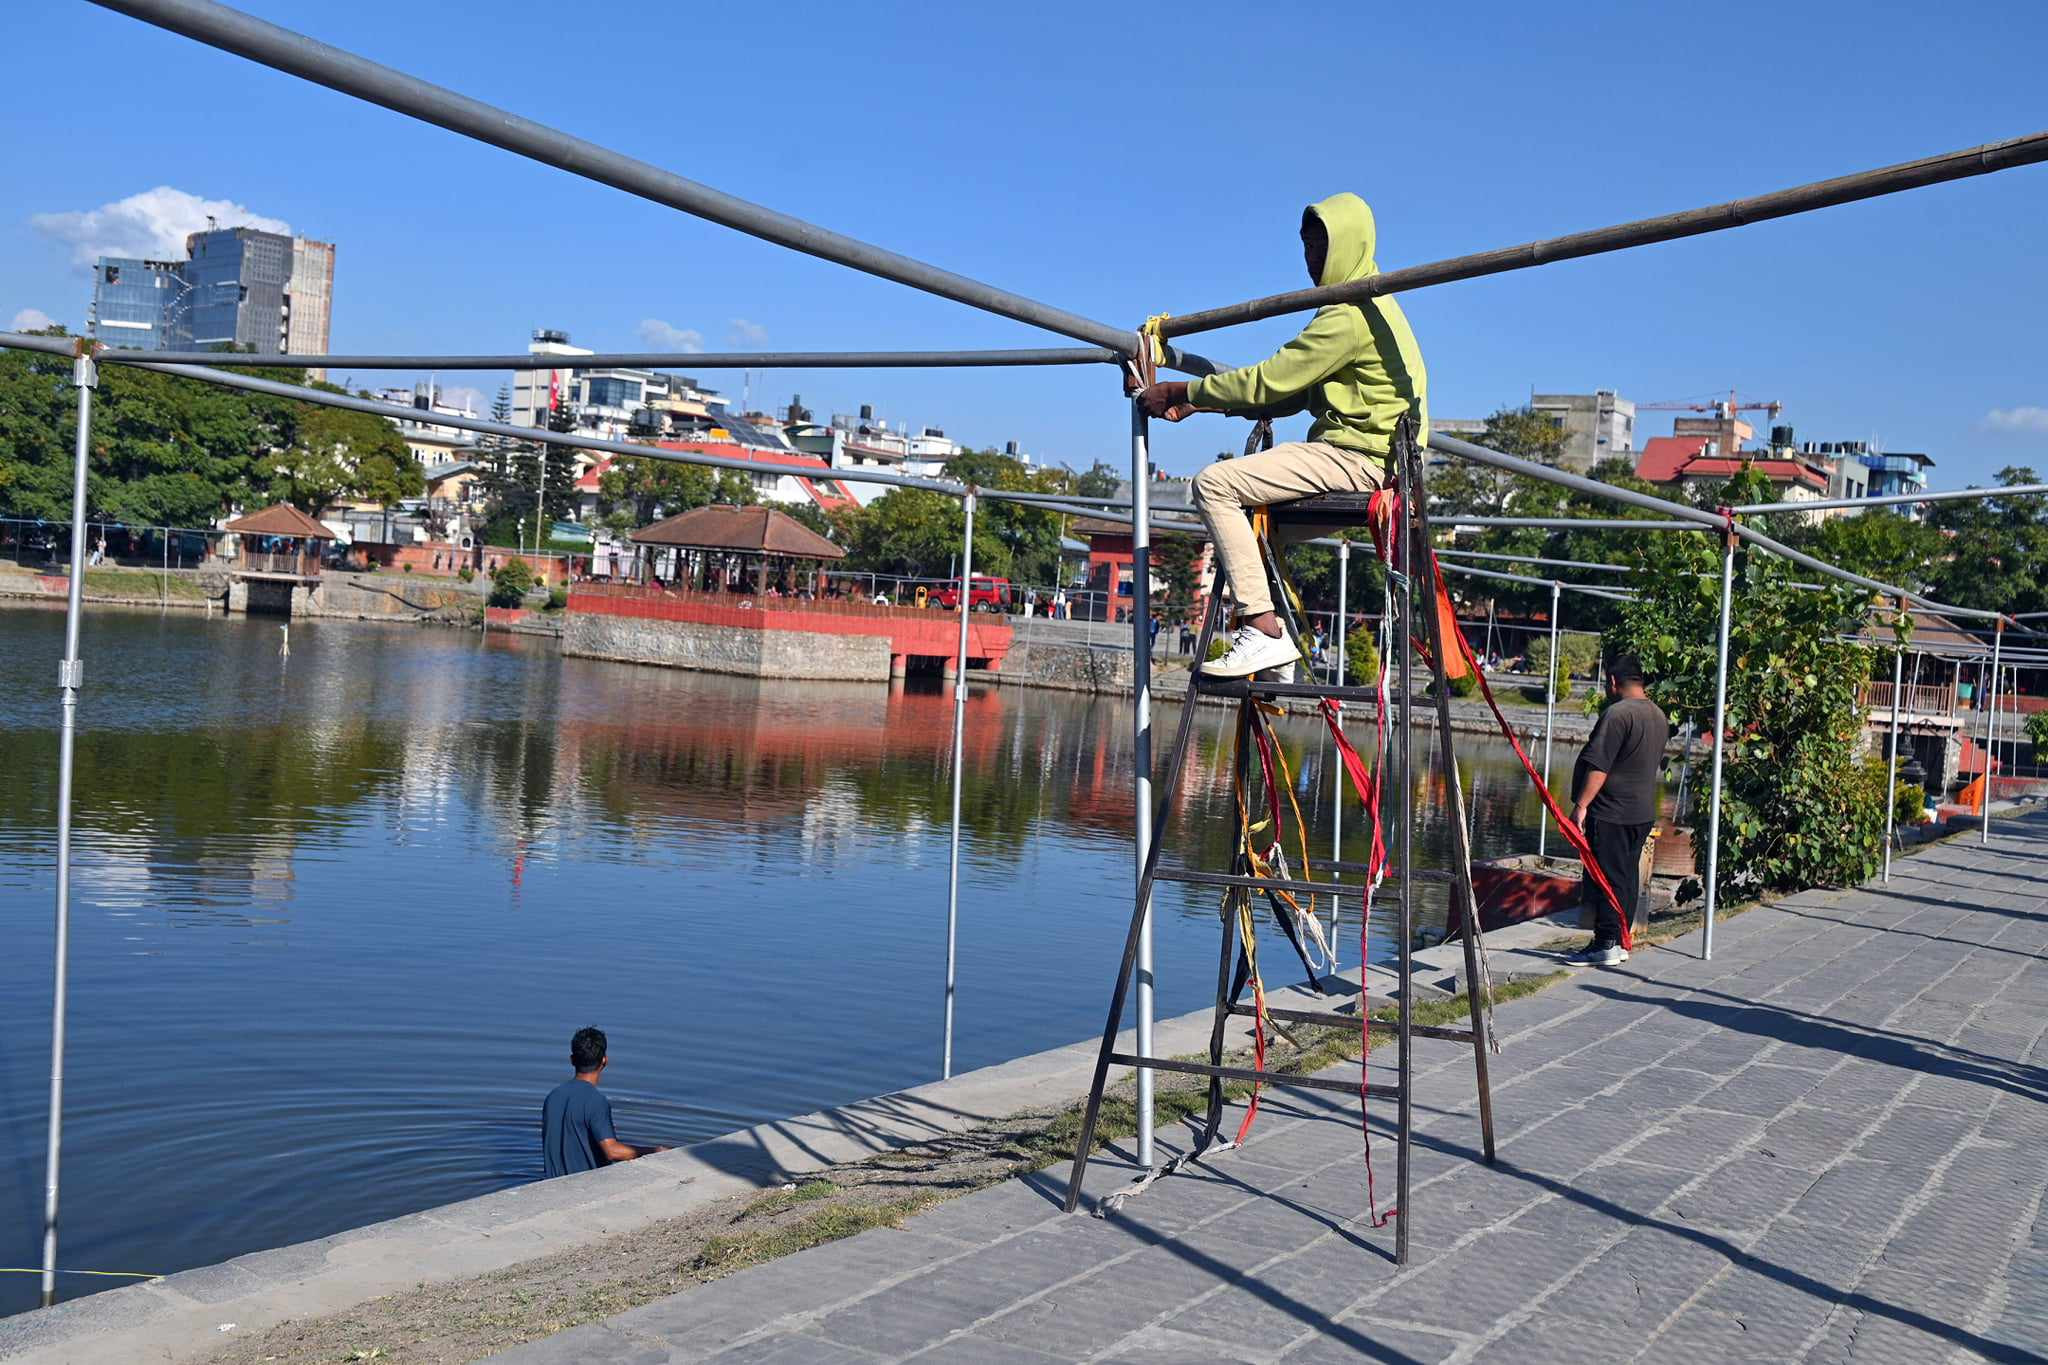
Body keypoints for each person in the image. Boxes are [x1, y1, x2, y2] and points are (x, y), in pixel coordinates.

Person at [1135, 192, 1426, 679]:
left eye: (1322, 248)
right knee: (1257, 530)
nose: (1313, 262)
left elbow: (1269, 380)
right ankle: (1285, 645)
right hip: (1376, 461)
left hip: (1359, 457)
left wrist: (1184, 388)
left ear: (1348, 246)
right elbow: (1297, 395)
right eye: (1308, 249)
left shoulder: (1348, 314)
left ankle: (1263, 631)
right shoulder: (1372, 308)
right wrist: (1202, 401)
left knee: (1214, 485)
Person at [1566, 656, 1670, 967]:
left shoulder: (1617, 714)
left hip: (1612, 812)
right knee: (1625, 877)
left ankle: (1605, 943)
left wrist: (1581, 806)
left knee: (1604, 878)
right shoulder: (1658, 714)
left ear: (1613, 682)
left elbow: (1600, 766)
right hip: (1641, 811)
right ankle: (1620, 941)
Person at [540, 1026, 667, 1177]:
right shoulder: (596, 1101)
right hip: (585, 1188)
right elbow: (612, 1151)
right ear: (604, 1061)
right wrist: (654, 1151)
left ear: (572, 1060)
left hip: (551, 1185)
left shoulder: (552, 1097)